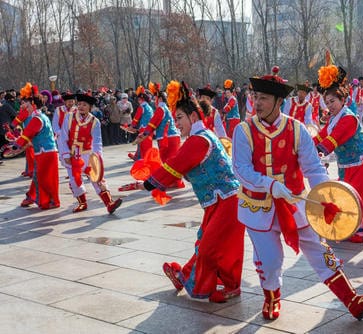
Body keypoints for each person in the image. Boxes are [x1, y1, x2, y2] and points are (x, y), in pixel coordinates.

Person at [232, 69, 363, 320]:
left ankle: (352, 299)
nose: (257, 103)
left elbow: (313, 168)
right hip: (259, 207)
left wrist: (326, 197)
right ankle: (271, 297)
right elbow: (241, 170)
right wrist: (269, 185)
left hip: (294, 202)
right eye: (255, 97)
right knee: (270, 261)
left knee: (321, 251)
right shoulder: (243, 131)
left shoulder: (296, 129)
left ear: (279, 102)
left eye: (264, 98)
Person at [140, 81, 245, 303]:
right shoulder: (199, 137)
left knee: (210, 247)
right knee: (207, 243)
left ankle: (216, 284)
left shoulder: (199, 140)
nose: (176, 124)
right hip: (217, 200)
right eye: (175, 119)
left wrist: (149, 182)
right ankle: (196, 278)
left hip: (228, 200)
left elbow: (176, 164)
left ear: (193, 117)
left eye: (179, 118)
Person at [313, 65, 363, 243]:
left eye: (332, 101)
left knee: (358, 197)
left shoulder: (348, 118)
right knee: (346, 197)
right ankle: (350, 227)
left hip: (361, 164)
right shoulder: (334, 119)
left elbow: (333, 140)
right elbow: (321, 136)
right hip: (347, 165)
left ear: (342, 100)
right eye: (327, 103)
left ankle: (360, 231)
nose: (330, 106)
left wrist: (318, 151)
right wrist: (303, 146)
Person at [60, 93, 122, 214]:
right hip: (72, 155)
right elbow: (63, 137)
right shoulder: (69, 117)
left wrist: (97, 159)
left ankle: (109, 204)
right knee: (74, 180)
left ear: (90, 107)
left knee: (97, 179)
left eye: (84, 105)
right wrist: (66, 155)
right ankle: (82, 203)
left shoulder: (95, 121)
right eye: (79, 104)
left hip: (88, 154)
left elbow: (97, 142)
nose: (81, 107)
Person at [12, 83, 59, 209]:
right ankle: (34, 197)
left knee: (43, 178)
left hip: (46, 153)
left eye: (24, 104)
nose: (22, 106)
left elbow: (27, 135)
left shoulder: (37, 119)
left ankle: (48, 200)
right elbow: (30, 138)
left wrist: (16, 145)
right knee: (39, 176)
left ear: (32, 103)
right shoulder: (38, 116)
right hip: (45, 151)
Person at [126, 86, 153, 160]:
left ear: (141, 99)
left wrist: (131, 126)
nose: (138, 101)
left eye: (138, 99)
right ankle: (140, 156)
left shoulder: (141, 107)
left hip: (143, 128)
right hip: (150, 128)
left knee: (142, 143)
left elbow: (136, 118)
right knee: (147, 143)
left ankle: (141, 157)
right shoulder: (149, 107)